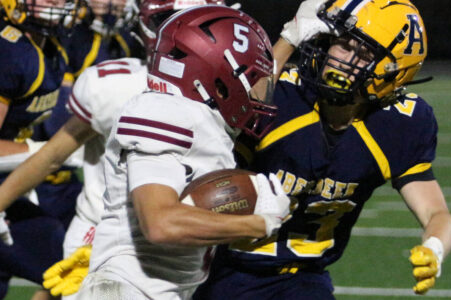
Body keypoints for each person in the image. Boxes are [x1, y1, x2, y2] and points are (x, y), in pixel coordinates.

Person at [193, 0, 451, 299]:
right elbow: (239, 110)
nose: (340, 59)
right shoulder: (284, 94)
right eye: (341, 44)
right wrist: (289, 39)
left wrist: (434, 247)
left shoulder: (399, 124)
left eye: (362, 54)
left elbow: (436, 212)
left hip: (304, 279)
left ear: (392, 72)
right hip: (223, 269)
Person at [0, 0, 228, 298]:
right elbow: (52, 156)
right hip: (107, 235)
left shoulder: (229, 90)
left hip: (188, 239)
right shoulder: (114, 85)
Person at [75, 5, 290, 300]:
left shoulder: (201, 119)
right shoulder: (164, 111)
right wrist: (258, 222)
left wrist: (291, 39)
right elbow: (160, 224)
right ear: (221, 75)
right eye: (254, 80)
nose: (259, 96)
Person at [0, 0, 84, 298]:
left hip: (7, 188)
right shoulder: (10, 52)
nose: (59, 4)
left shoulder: (50, 49)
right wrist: (45, 152)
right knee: (65, 264)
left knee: (66, 267)